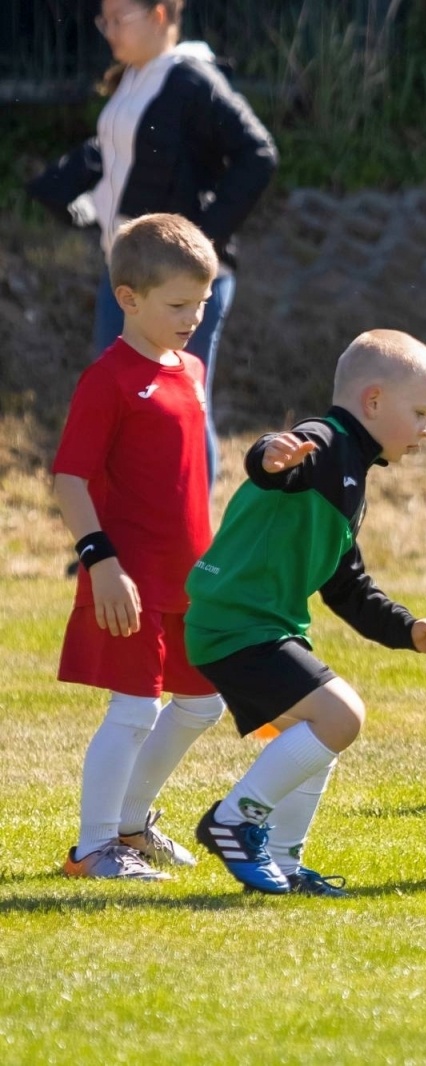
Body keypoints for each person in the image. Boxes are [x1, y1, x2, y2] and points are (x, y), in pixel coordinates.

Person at [184, 330, 426, 895]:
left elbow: (347, 585)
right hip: (236, 623)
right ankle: (235, 819)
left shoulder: (352, 475)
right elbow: (273, 456)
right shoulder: (324, 445)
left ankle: (282, 860)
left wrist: (409, 630)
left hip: (253, 626)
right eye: (422, 412)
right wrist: (270, 455)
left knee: (318, 738)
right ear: (374, 402)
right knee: (342, 717)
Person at [27, 0, 278, 484]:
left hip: (176, 286)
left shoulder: (191, 79)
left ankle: (197, 546)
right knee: (123, 402)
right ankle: (120, 539)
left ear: (160, 16)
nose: (109, 30)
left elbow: (258, 153)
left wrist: (200, 243)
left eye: (120, 18)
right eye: (104, 19)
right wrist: (70, 200)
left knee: (183, 402)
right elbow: (118, 159)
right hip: (127, 272)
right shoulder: (132, 79)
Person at [53, 213, 227, 882]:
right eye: (178, 305)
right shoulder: (108, 379)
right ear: (128, 298)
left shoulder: (192, 369)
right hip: (126, 578)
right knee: (134, 707)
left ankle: (132, 823)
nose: (193, 317)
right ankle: (93, 848)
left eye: (202, 303)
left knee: (203, 703)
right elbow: (69, 478)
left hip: (191, 581)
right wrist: (101, 563)